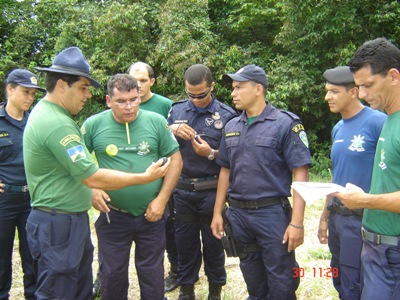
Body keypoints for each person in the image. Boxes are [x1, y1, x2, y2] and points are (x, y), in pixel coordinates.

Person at [23, 46, 170, 300]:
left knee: (79, 289)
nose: (87, 95)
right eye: (82, 87)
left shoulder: (56, 116)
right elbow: (91, 175)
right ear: (61, 85)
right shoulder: (56, 123)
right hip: (59, 221)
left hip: (69, 219)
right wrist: (144, 178)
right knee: (59, 291)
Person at [210, 64, 312, 300]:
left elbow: (301, 173)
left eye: (239, 87)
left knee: (281, 282)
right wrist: (217, 213)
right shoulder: (232, 126)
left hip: (271, 214)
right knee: (253, 282)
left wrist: (296, 223)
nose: (233, 93)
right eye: (233, 88)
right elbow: (225, 170)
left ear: (258, 89)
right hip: (238, 215)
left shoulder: (285, 124)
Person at [82, 73, 182, 300]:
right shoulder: (94, 125)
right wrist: (91, 189)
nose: (129, 107)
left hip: (152, 214)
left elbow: (176, 159)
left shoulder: (155, 122)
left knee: (152, 275)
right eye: (121, 102)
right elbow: (76, 163)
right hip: (112, 215)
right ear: (108, 101)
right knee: (113, 274)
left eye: (134, 99)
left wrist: (162, 200)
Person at [334, 37, 400, 299]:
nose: (361, 94)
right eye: (359, 86)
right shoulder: (388, 121)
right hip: (374, 246)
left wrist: (365, 200)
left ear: (393, 75)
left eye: (368, 85)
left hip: (393, 253)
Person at [167, 64, 236, 300]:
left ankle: (215, 291)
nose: (196, 99)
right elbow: (161, 144)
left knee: (214, 244)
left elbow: (234, 158)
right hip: (183, 190)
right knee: (184, 243)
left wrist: (210, 153)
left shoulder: (227, 116)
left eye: (201, 94)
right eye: (191, 94)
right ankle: (187, 290)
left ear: (212, 87)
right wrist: (171, 130)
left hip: (212, 192)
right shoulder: (175, 112)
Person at [318, 66, 386, 299]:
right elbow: (337, 176)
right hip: (337, 218)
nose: (328, 97)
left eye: (334, 91)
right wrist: (325, 218)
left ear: (354, 92)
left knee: (355, 283)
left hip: (362, 220)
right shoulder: (338, 128)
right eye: (327, 91)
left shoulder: (378, 122)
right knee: (338, 277)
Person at [127, 61, 179, 292]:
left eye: (143, 80)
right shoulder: (120, 105)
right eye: (133, 80)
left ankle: (175, 271)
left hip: (161, 181)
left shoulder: (165, 105)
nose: (137, 86)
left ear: (152, 81)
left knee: (168, 230)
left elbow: (174, 147)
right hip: (127, 184)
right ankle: (103, 278)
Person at [0, 69, 45, 300]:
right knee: (1, 257)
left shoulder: (35, 122)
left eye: (33, 94)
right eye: (25, 92)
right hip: (4, 200)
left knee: (33, 255)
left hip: (32, 199)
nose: (30, 98)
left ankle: (33, 296)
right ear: (10, 89)